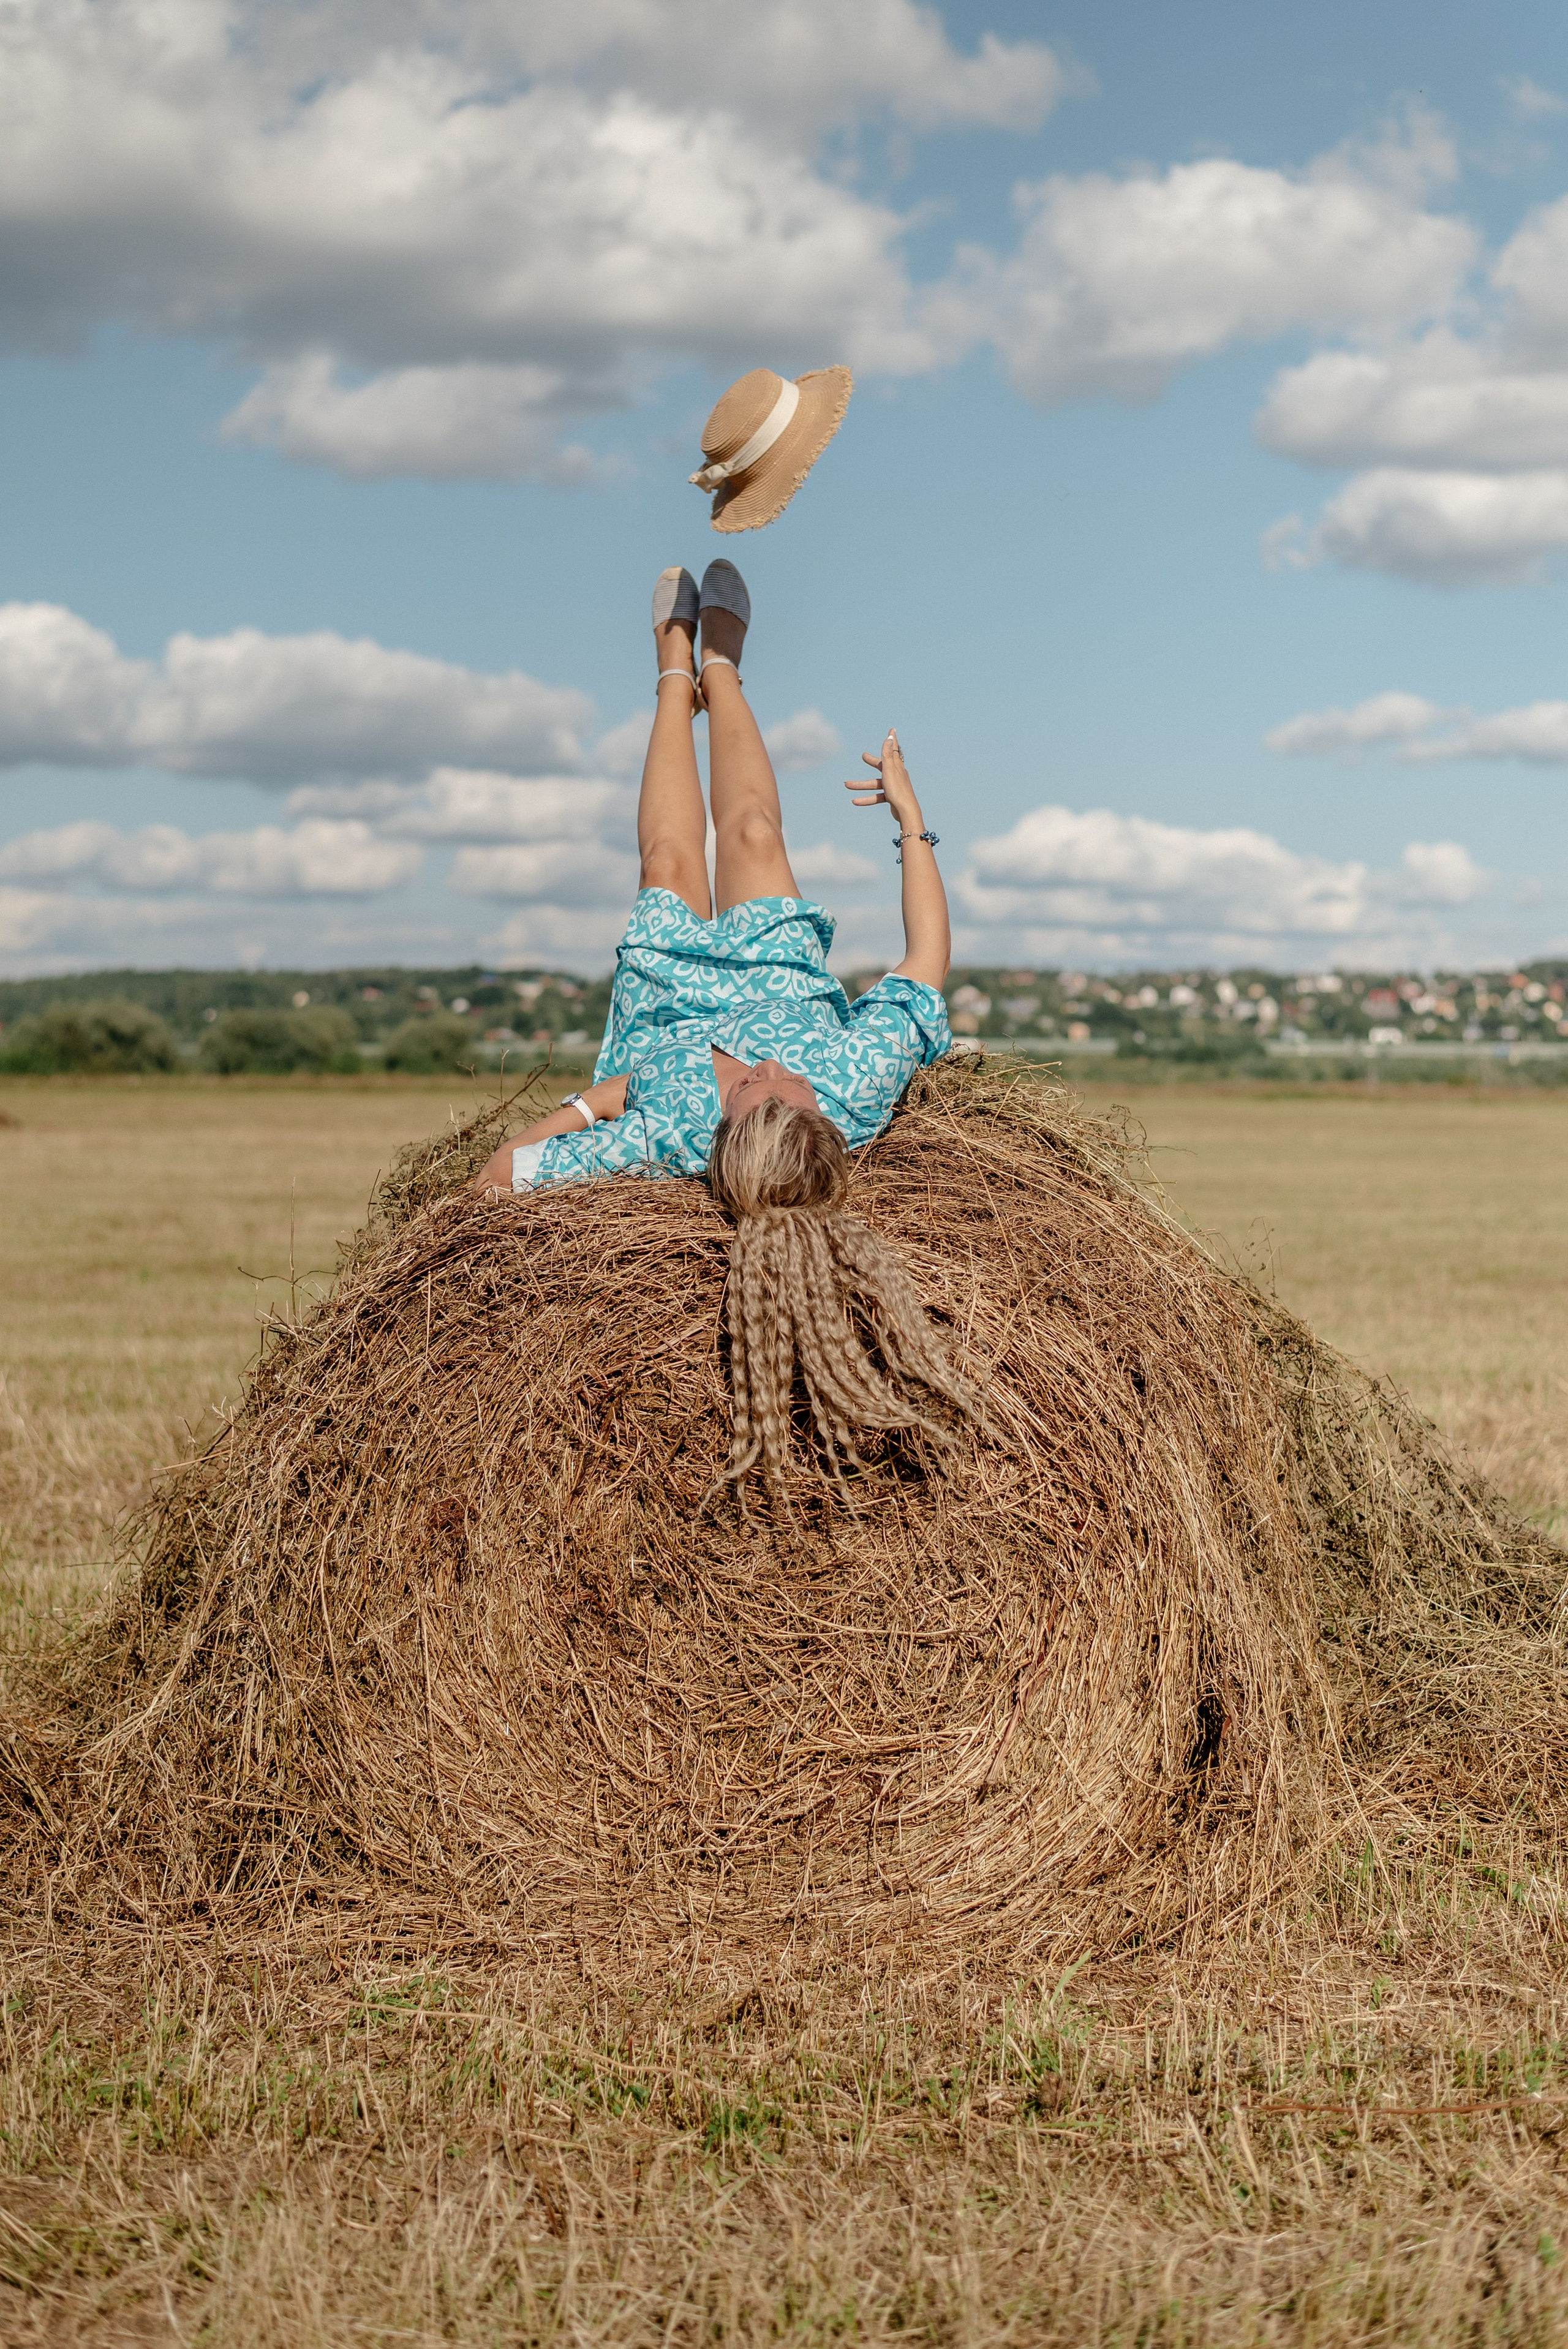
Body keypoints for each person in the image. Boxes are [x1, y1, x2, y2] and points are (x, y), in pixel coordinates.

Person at [473, 559, 982, 1495]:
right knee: (751, 832)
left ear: (724, 1136)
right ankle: (724, 664)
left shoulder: (672, 1137)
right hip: (775, 966)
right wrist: (914, 822)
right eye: (787, 1086)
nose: (766, 1067)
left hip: (666, 996)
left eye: (749, 1090)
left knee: (668, 857)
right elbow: (926, 961)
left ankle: (672, 667)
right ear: (822, 1121)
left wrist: (596, 1102)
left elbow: (498, 1178)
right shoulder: (856, 1088)